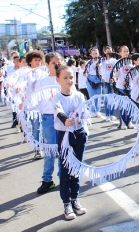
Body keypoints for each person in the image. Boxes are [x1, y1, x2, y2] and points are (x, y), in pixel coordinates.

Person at [53, 65, 87, 220]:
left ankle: (75, 199)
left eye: (71, 77)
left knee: (76, 167)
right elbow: (58, 111)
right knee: (66, 170)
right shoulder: (57, 97)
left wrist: (80, 118)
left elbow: (84, 113)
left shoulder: (79, 95)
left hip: (79, 134)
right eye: (65, 77)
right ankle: (66, 202)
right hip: (64, 136)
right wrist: (65, 120)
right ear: (58, 79)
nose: (69, 80)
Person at [36, 52, 63, 194]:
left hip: (63, 118)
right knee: (49, 149)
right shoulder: (42, 81)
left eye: (59, 61)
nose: (57, 64)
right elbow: (37, 100)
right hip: (48, 118)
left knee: (64, 149)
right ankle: (47, 180)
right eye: (54, 62)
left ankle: (63, 177)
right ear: (47, 65)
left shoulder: (64, 78)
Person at [115, 46, 134, 130]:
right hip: (120, 87)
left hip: (130, 87)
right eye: (124, 51)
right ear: (120, 53)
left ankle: (129, 121)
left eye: (127, 51)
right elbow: (115, 75)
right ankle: (122, 122)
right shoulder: (118, 62)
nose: (126, 53)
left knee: (130, 105)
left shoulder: (130, 62)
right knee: (123, 105)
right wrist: (119, 79)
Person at [84, 47, 102, 117]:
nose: (95, 55)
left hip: (99, 78)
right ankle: (92, 110)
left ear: (98, 53)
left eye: (96, 53)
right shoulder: (88, 62)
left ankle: (97, 110)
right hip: (91, 79)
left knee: (98, 95)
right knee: (92, 96)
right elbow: (85, 72)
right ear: (91, 54)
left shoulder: (102, 61)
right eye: (93, 53)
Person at [101, 46, 117, 121]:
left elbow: (116, 70)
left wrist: (114, 78)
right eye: (107, 51)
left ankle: (112, 114)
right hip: (105, 81)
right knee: (106, 98)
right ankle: (107, 115)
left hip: (112, 81)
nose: (109, 52)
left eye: (110, 51)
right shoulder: (102, 60)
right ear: (104, 52)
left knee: (112, 98)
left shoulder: (114, 60)